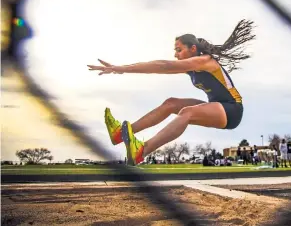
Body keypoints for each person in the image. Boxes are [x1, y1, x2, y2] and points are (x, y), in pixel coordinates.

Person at [88, 20, 255, 166]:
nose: (175, 55)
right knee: (171, 103)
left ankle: (142, 151)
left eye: (179, 50)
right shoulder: (192, 68)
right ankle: (121, 135)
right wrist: (121, 69)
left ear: (193, 49)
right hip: (216, 105)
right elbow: (156, 68)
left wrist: (120, 68)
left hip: (232, 110)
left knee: (187, 113)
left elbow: (163, 66)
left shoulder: (205, 61)